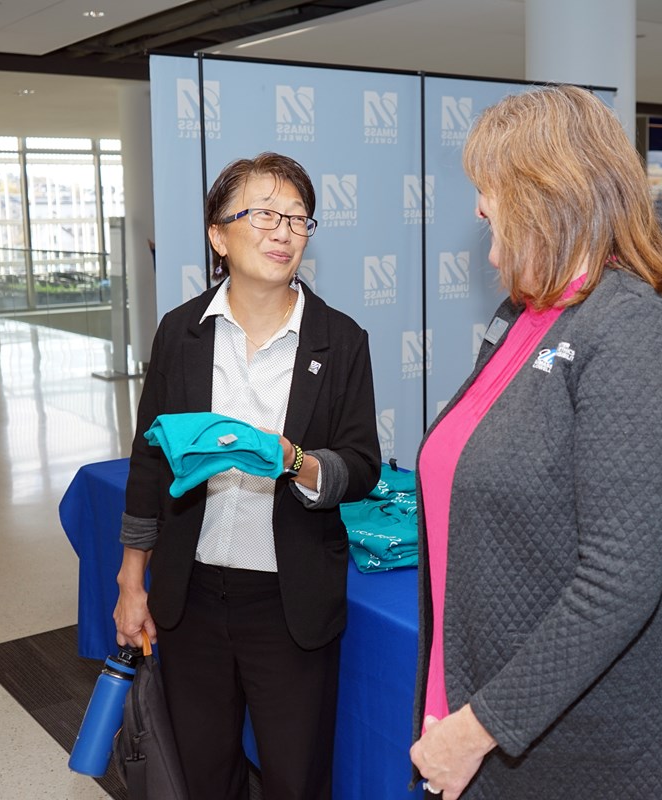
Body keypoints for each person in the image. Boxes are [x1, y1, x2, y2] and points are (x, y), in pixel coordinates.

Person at [408, 85, 662, 799]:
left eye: (490, 188)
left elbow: (617, 582)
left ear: (548, 191)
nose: (480, 207)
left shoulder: (631, 331)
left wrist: (478, 727)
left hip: (589, 746)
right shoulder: (527, 315)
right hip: (498, 712)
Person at [113, 152, 380, 799]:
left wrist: (297, 460)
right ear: (218, 235)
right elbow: (149, 459)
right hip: (192, 597)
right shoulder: (181, 334)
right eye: (263, 213)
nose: (283, 230)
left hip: (289, 605)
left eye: (296, 217)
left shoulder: (339, 341)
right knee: (204, 775)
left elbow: (362, 465)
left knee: (295, 777)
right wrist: (130, 581)